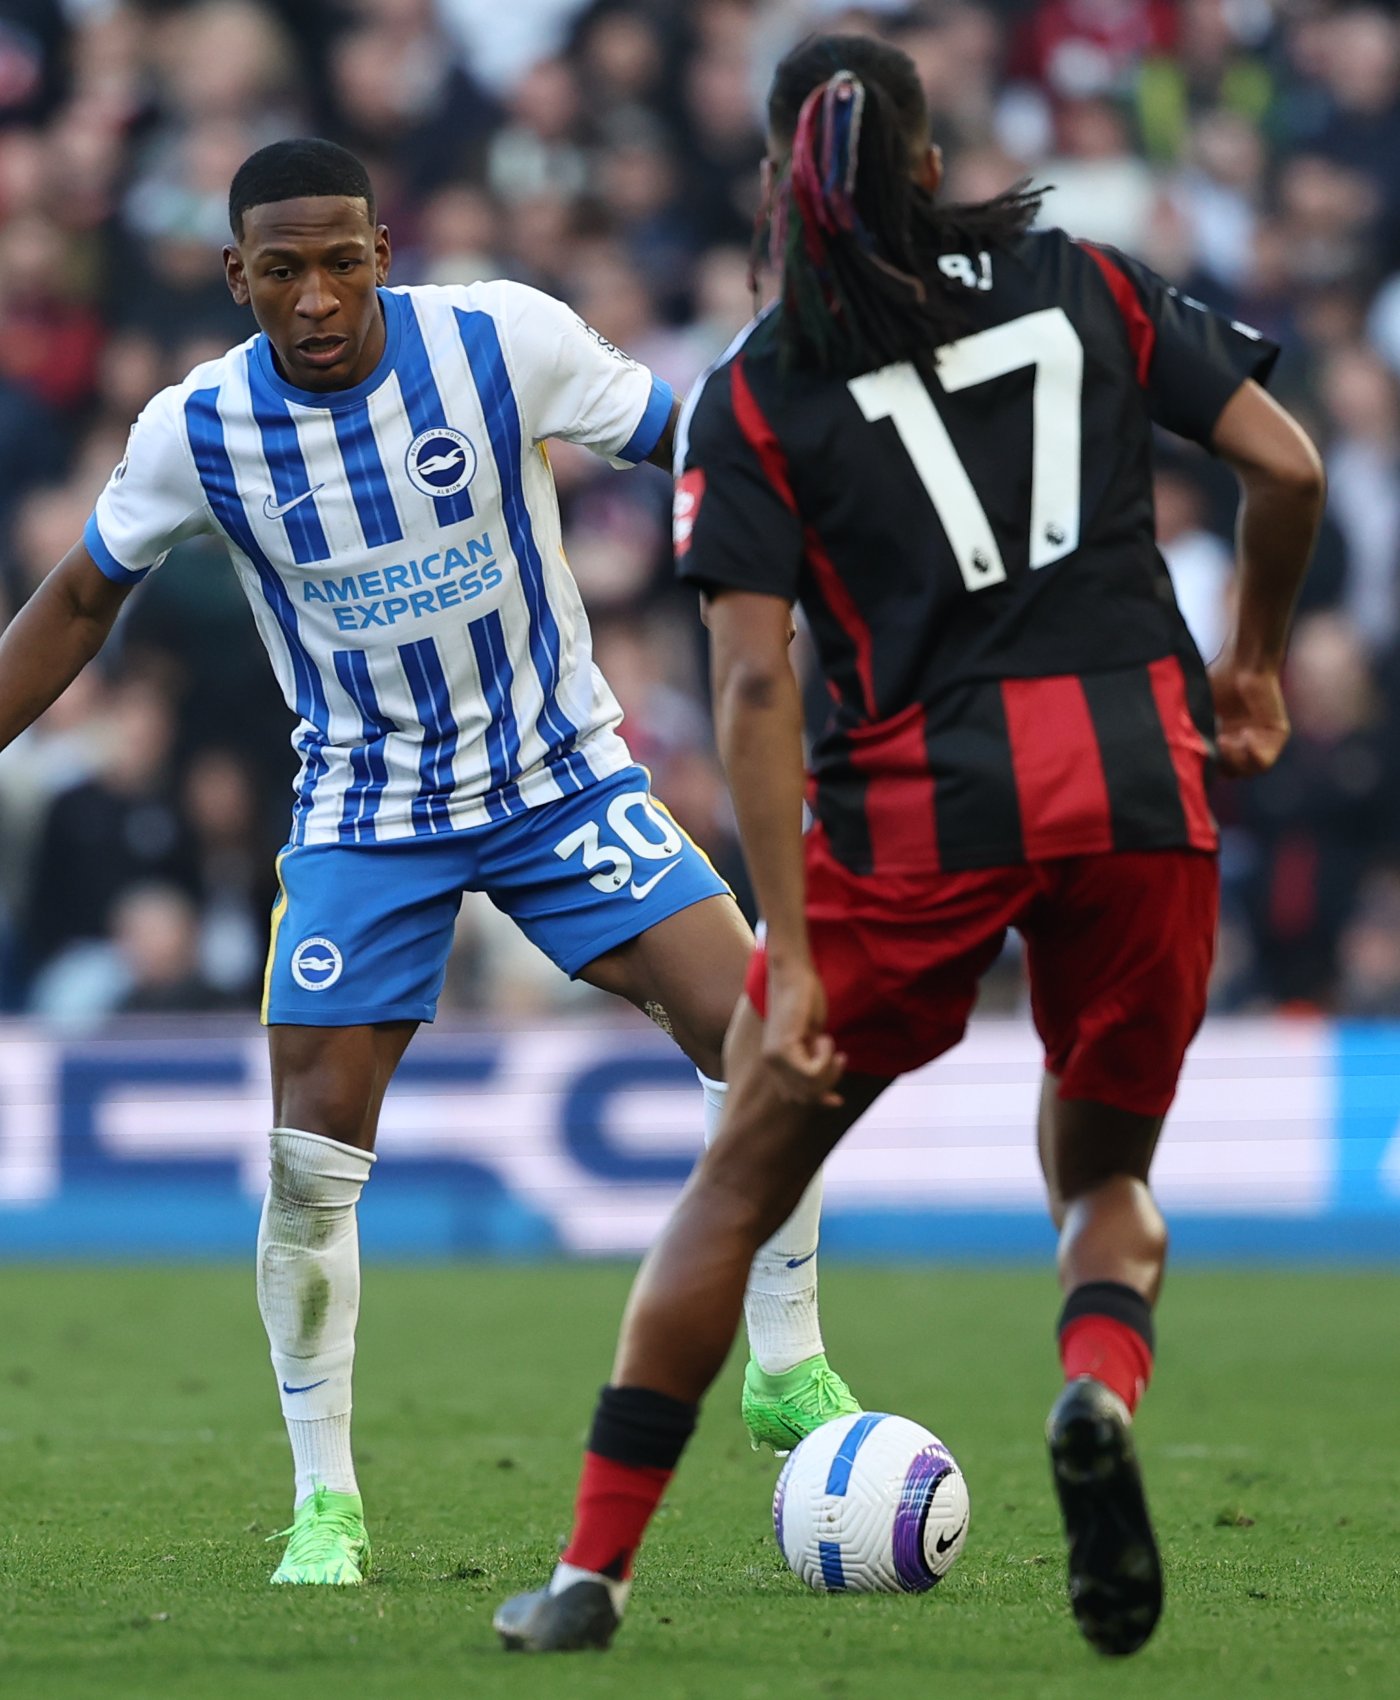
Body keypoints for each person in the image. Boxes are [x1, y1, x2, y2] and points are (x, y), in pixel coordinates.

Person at [495, 33, 1325, 1657]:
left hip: (917, 818)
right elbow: (1285, 469)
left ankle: (589, 1579)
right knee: (1103, 1177)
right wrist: (1255, 666)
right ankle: (1094, 1389)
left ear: (775, 180)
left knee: (737, 1183)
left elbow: (751, 678)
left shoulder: (756, 386)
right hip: (1141, 790)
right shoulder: (1084, 280)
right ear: (934, 163)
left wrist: (788, 950)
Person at [0, 138, 861, 1586]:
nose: (320, 295)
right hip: (367, 812)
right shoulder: (196, 430)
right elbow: (81, 598)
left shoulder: (499, 343)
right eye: (284, 270)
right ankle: (324, 1504)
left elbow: (689, 439)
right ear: (237, 278)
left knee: (768, 1029)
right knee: (310, 1159)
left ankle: (788, 1364)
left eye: (343, 260)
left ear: (383, 252)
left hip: (557, 774)